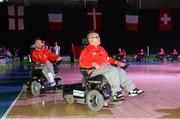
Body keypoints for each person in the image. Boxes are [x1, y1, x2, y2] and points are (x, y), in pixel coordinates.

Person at [79, 31, 144, 100]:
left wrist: (117, 62)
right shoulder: (86, 50)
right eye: (97, 37)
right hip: (94, 70)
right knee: (113, 70)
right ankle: (116, 92)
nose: (99, 38)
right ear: (90, 39)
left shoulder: (101, 49)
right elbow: (82, 62)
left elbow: (108, 59)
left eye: (99, 37)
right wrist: (93, 64)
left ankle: (132, 90)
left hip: (105, 67)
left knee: (120, 71)